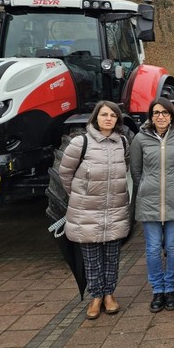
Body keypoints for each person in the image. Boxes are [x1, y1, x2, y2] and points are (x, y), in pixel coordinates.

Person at [59, 100, 130, 320]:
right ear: (95, 118)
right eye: (104, 115)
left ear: (117, 119)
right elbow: (65, 174)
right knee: (91, 257)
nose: (108, 119)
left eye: (113, 115)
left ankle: (109, 294)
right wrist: (80, 196)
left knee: (111, 255)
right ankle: (96, 296)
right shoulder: (81, 143)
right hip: (87, 210)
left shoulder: (123, 143)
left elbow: (125, 169)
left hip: (115, 208)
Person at [131, 98, 174, 314]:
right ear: (151, 116)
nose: (160, 116)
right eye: (156, 113)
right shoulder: (140, 139)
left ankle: (170, 289)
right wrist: (147, 188)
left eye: (165, 113)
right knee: (153, 249)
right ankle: (157, 290)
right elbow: (136, 171)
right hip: (150, 203)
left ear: (172, 115)